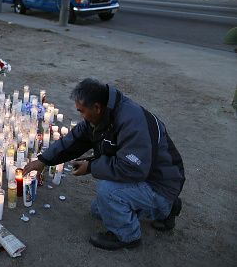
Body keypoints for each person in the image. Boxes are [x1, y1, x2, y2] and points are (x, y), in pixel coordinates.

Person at [23, 79, 185, 250]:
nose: (81, 116)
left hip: (159, 184)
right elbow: (75, 139)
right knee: (99, 210)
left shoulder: (131, 122)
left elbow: (133, 168)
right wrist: (44, 160)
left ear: (97, 107)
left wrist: (91, 166)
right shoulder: (104, 113)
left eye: (81, 111)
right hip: (147, 176)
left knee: (108, 191)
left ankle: (129, 235)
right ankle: (167, 207)